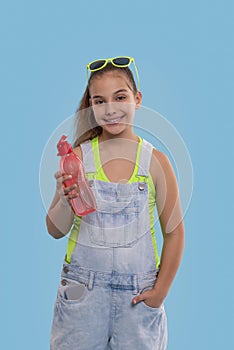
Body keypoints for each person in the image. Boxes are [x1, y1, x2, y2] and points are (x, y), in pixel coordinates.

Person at [46, 56, 185, 350]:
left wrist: (160, 292)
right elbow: (55, 230)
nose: (110, 109)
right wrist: (64, 198)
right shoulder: (78, 158)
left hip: (137, 298)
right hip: (82, 297)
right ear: (91, 108)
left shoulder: (156, 163)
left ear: (137, 99)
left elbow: (174, 233)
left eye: (120, 97)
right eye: (99, 101)